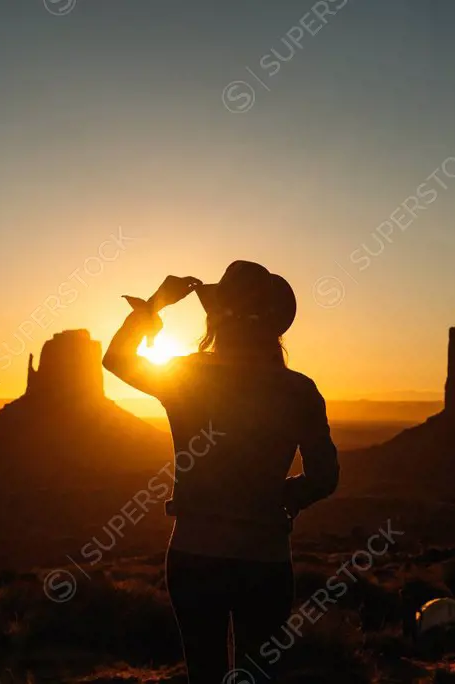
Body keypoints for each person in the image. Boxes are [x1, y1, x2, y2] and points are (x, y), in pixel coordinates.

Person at [102, 261, 339, 683]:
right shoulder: (299, 391)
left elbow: (116, 359)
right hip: (265, 558)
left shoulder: (189, 375)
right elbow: (325, 477)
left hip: (195, 553)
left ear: (215, 319)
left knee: (204, 672)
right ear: (275, 328)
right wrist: (282, 499)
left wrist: (154, 306)